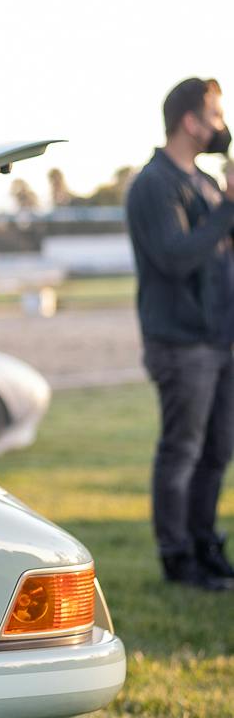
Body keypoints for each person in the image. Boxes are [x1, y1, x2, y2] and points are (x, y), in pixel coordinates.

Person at [125, 77, 234, 590]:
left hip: (219, 339)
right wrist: (228, 210)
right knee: (182, 452)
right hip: (181, 343)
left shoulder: (206, 183)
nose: (222, 125)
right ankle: (177, 557)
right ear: (190, 122)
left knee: (216, 452)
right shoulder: (154, 184)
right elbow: (174, 256)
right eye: (215, 114)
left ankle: (204, 545)